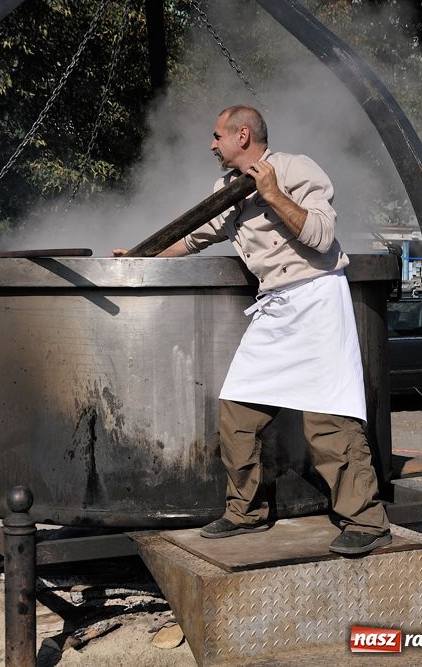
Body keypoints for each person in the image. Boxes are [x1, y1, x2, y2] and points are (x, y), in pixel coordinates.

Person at [113, 105, 391, 555]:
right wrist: (142, 256)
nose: (211, 144)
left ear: (242, 135)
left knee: (328, 420)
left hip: (317, 298)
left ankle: (367, 521)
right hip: (275, 308)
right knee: (237, 412)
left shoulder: (296, 169)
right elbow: (193, 237)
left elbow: (321, 236)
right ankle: (246, 511)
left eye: (217, 136)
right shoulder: (225, 189)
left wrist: (274, 194)